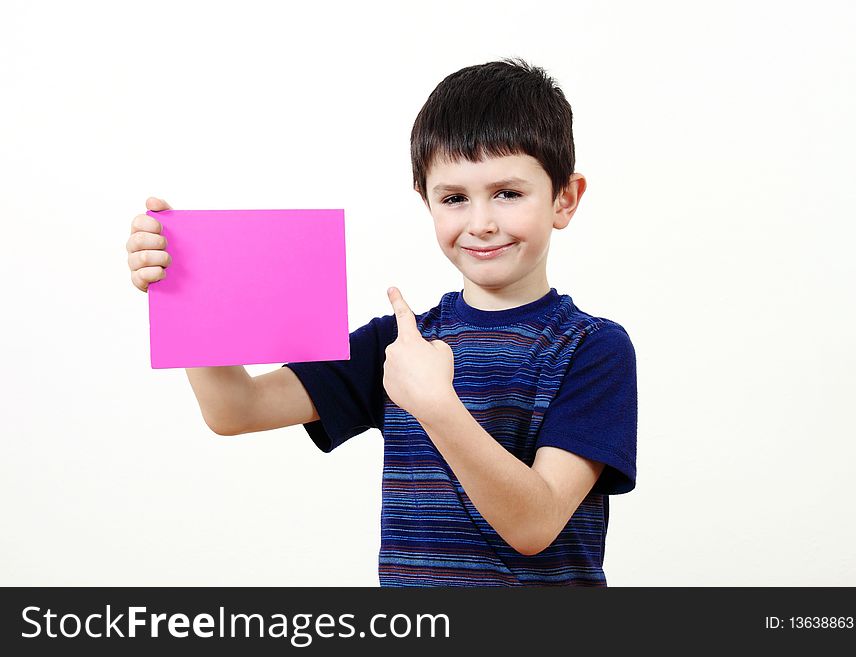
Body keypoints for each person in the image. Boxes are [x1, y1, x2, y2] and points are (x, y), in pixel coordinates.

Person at [125, 57, 638, 586]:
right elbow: (236, 408)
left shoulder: (593, 349)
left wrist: (437, 406)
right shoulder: (397, 343)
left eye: (507, 193)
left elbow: (535, 523)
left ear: (565, 198)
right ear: (428, 203)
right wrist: (185, 292)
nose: (482, 223)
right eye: (455, 198)